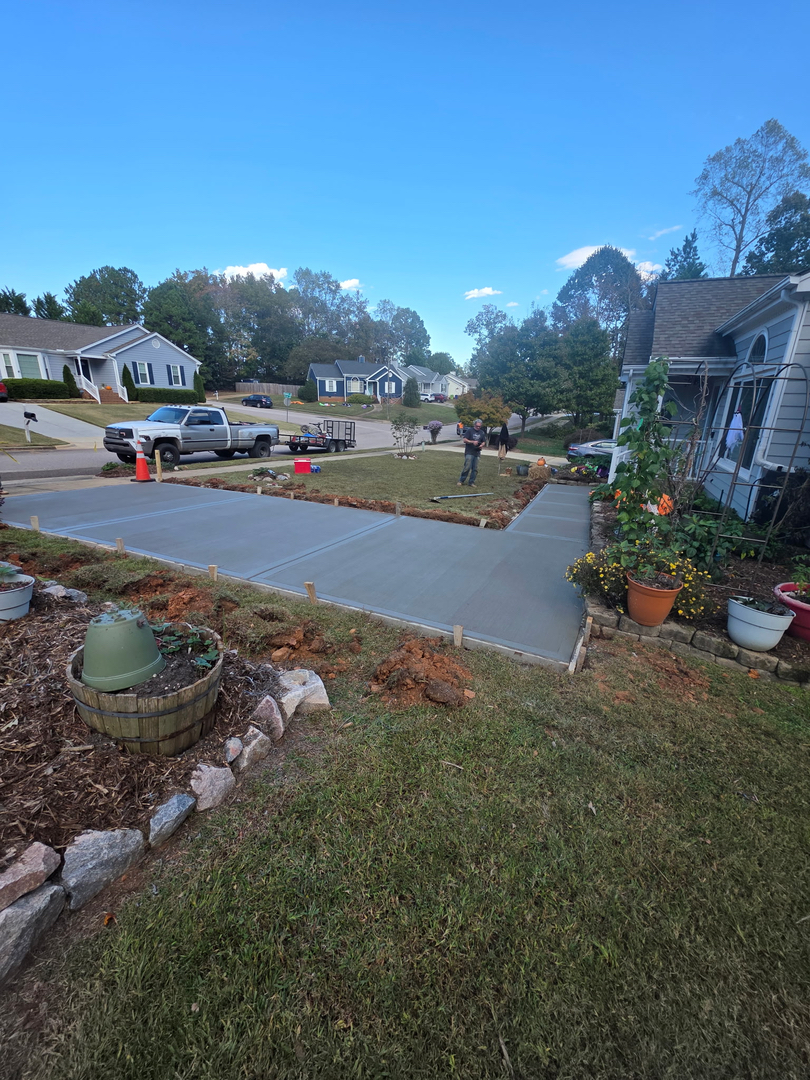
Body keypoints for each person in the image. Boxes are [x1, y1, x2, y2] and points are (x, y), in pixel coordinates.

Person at [458, 419, 486, 486]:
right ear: (474, 425)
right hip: (469, 452)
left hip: (477, 452)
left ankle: (471, 482)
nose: (478, 427)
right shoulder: (469, 431)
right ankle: (461, 480)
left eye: (479, 426)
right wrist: (472, 442)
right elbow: (464, 440)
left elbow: (484, 441)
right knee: (467, 467)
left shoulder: (482, 432)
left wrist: (482, 445)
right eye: (477, 426)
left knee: (475, 469)